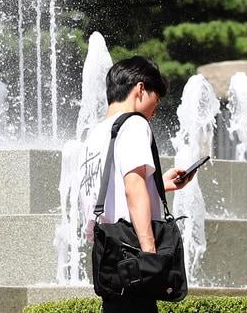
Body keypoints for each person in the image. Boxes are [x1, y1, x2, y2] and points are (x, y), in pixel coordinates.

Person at [77, 56, 192, 312]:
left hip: (109, 255)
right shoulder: (135, 124)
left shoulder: (94, 135)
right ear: (140, 89)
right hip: (133, 254)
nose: (154, 111)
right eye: (156, 100)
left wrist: (160, 184)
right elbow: (133, 188)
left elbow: (107, 190)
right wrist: (150, 254)